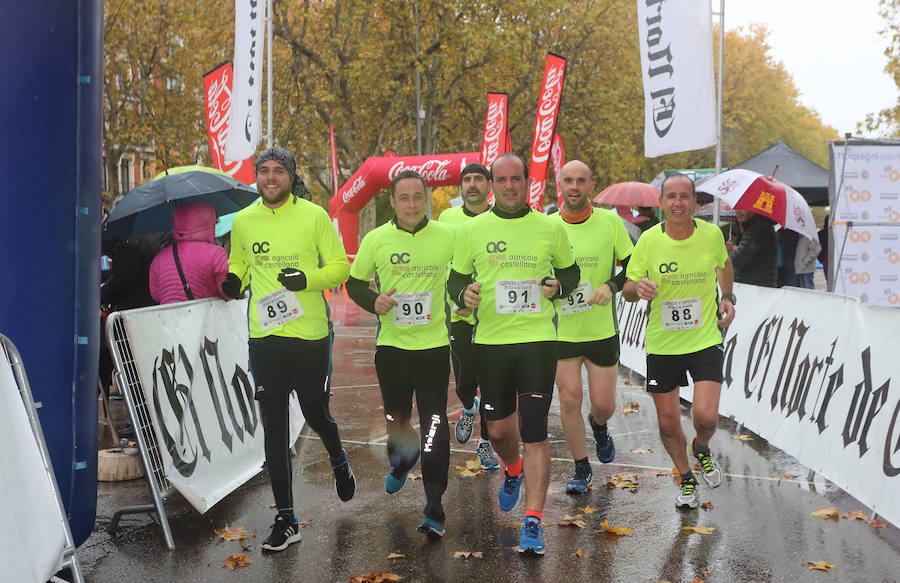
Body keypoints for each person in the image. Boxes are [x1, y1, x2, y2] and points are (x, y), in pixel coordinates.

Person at [448, 153, 579, 555]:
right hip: (489, 344)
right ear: (491, 184)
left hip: (537, 340)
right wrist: (464, 294)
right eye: (500, 180)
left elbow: (570, 273)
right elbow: (455, 282)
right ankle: (514, 469)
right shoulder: (473, 230)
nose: (508, 186)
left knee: (536, 427)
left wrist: (561, 286)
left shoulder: (548, 227)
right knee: (501, 431)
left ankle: (533, 522)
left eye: (515, 179)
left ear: (527, 182)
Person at [224, 147, 354, 552]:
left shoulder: (314, 216)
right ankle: (285, 518)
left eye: (278, 171)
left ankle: (337, 455)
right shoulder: (244, 220)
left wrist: (306, 281)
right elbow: (239, 262)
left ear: (290, 176)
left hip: (311, 335)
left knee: (316, 411)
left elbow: (340, 267)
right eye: (263, 171)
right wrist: (232, 279)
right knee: (274, 429)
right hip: (265, 338)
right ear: (256, 176)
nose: (270, 178)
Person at [346, 170, 455, 538]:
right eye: (403, 198)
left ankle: (434, 508)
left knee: (435, 425)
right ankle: (401, 462)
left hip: (434, 349)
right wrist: (373, 300)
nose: (411, 204)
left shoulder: (447, 237)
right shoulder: (376, 240)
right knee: (399, 421)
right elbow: (355, 284)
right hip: (392, 351)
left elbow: (463, 278)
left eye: (417, 197)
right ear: (391, 201)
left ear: (426, 198)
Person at [623, 173, 735, 510]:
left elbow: (725, 265)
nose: (677, 203)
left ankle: (701, 447)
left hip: (704, 337)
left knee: (706, 416)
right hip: (663, 343)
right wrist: (637, 289)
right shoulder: (648, 240)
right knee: (668, 421)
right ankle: (687, 478)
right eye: (670, 196)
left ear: (695, 203)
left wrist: (728, 296)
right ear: (661, 203)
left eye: (684, 196)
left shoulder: (711, 235)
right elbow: (628, 289)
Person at [552, 161, 634, 494]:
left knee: (604, 405)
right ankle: (581, 467)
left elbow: (632, 266)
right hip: (561, 331)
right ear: (560, 183)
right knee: (569, 399)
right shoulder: (547, 225)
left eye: (580, 181)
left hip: (601, 330)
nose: (574, 187)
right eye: (568, 180)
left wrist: (612, 287)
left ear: (591, 184)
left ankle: (599, 426)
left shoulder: (610, 222)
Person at [437, 162, 500, 471]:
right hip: (458, 312)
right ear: (460, 186)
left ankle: (485, 444)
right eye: (467, 180)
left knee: (490, 383)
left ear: (489, 185)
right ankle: (467, 406)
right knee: (464, 381)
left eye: (478, 179)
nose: (472, 184)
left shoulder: (498, 218)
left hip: (494, 316)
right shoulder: (447, 218)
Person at [149, 202, 230, 303]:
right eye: (215, 222)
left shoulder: (159, 258)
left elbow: (155, 294)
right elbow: (228, 292)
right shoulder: (216, 254)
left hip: (169, 317)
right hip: (206, 317)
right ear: (207, 223)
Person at [727, 209, 777, 288]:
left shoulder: (758, 229)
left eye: (743, 208)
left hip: (755, 288)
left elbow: (739, 258)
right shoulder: (755, 227)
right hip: (758, 287)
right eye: (736, 208)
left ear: (754, 209)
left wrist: (726, 255)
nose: (738, 212)